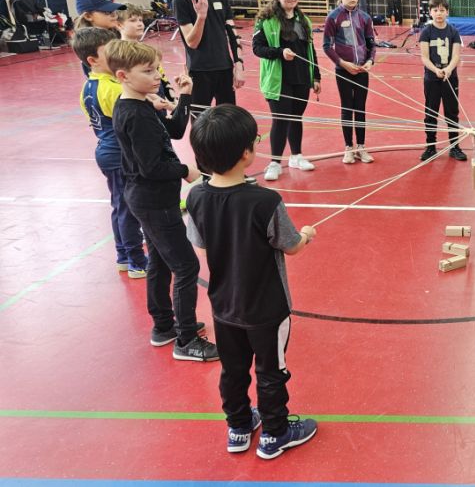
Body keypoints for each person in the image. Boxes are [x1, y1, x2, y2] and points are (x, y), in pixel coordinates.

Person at [185, 104, 319, 460]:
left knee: (233, 368)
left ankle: (239, 426)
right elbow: (291, 247)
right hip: (267, 307)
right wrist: (306, 235)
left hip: (224, 306)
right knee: (271, 369)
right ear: (247, 153)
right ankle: (276, 432)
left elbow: (199, 243)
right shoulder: (265, 200)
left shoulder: (196, 195)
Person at [109, 40, 217, 361]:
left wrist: (183, 96)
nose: (156, 75)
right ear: (122, 75)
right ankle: (186, 340)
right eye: (147, 71)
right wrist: (186, 170)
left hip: (153, 199)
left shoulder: (141, 104)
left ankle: (164, 326)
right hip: (153, 201)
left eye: (156, 68)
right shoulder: (136, 115)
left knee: (159, 261)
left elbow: (176, 130)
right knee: (186, 266)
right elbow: (152, 167)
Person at [73, 28, 148, 279]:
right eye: (110, 52)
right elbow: (130, 121)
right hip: (119, 155)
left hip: (106, 151)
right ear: (92, 60)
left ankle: (124, 256)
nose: (117, 55)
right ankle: (137, 261)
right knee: (127, 207)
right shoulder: (113, 89)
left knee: (119, 205)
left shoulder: (88, 87)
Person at [252, 0, 322, 182]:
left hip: (301, 77)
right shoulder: (266, 21)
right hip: (278, 79)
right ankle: (274, 162)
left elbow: (310, 50)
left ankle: (296, 156)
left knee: (296, 118)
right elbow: (257, 48)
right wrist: (280, 52)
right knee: (281, 119)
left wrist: (315, 75)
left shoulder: (303, 20)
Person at [173, 0, 245, 108]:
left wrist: (239, 65)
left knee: (227, 119)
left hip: (224, 68)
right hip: (200, 71)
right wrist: (201, 17)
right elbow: (192, 42)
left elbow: (234, 35)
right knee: (200, 121)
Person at [114, 4, 192, 138]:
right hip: (144, 107)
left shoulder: (146, 50)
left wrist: (174, 101)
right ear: (119, 25)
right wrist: (149, 101)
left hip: (157, 105)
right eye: (133, 20)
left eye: (140, 20)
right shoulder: (119, 54)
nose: (139, 24)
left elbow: (162, 77)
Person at [323, 0, 377, 165]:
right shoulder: (333, 17)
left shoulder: (365, 18)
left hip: (362, 70)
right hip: (344, 70)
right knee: (347, 108)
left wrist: (370, 61)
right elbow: (326, 46)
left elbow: (372, 44)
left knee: (360, 108)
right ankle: (348, 147)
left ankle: (361, 146)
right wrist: (342, 63)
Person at [418, 0, 466, 162]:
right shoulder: (426, 32)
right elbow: (424, 57)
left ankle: (455, 147)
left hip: (450, 78)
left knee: (452, 113)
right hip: (432, 79)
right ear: (430, 12)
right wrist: (435, 70)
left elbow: (456, 56)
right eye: (435, 10)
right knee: (431, 113)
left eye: (442, 10)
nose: (439, 13)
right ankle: (430, 147)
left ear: (447, 12)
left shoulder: (453, 32)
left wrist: (448, 70)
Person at [73, 0, 124, 76]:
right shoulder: (88, 44)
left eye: (113, 11)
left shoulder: (117, 33)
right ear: (88, 16)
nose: (114, 15)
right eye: (107, 12)